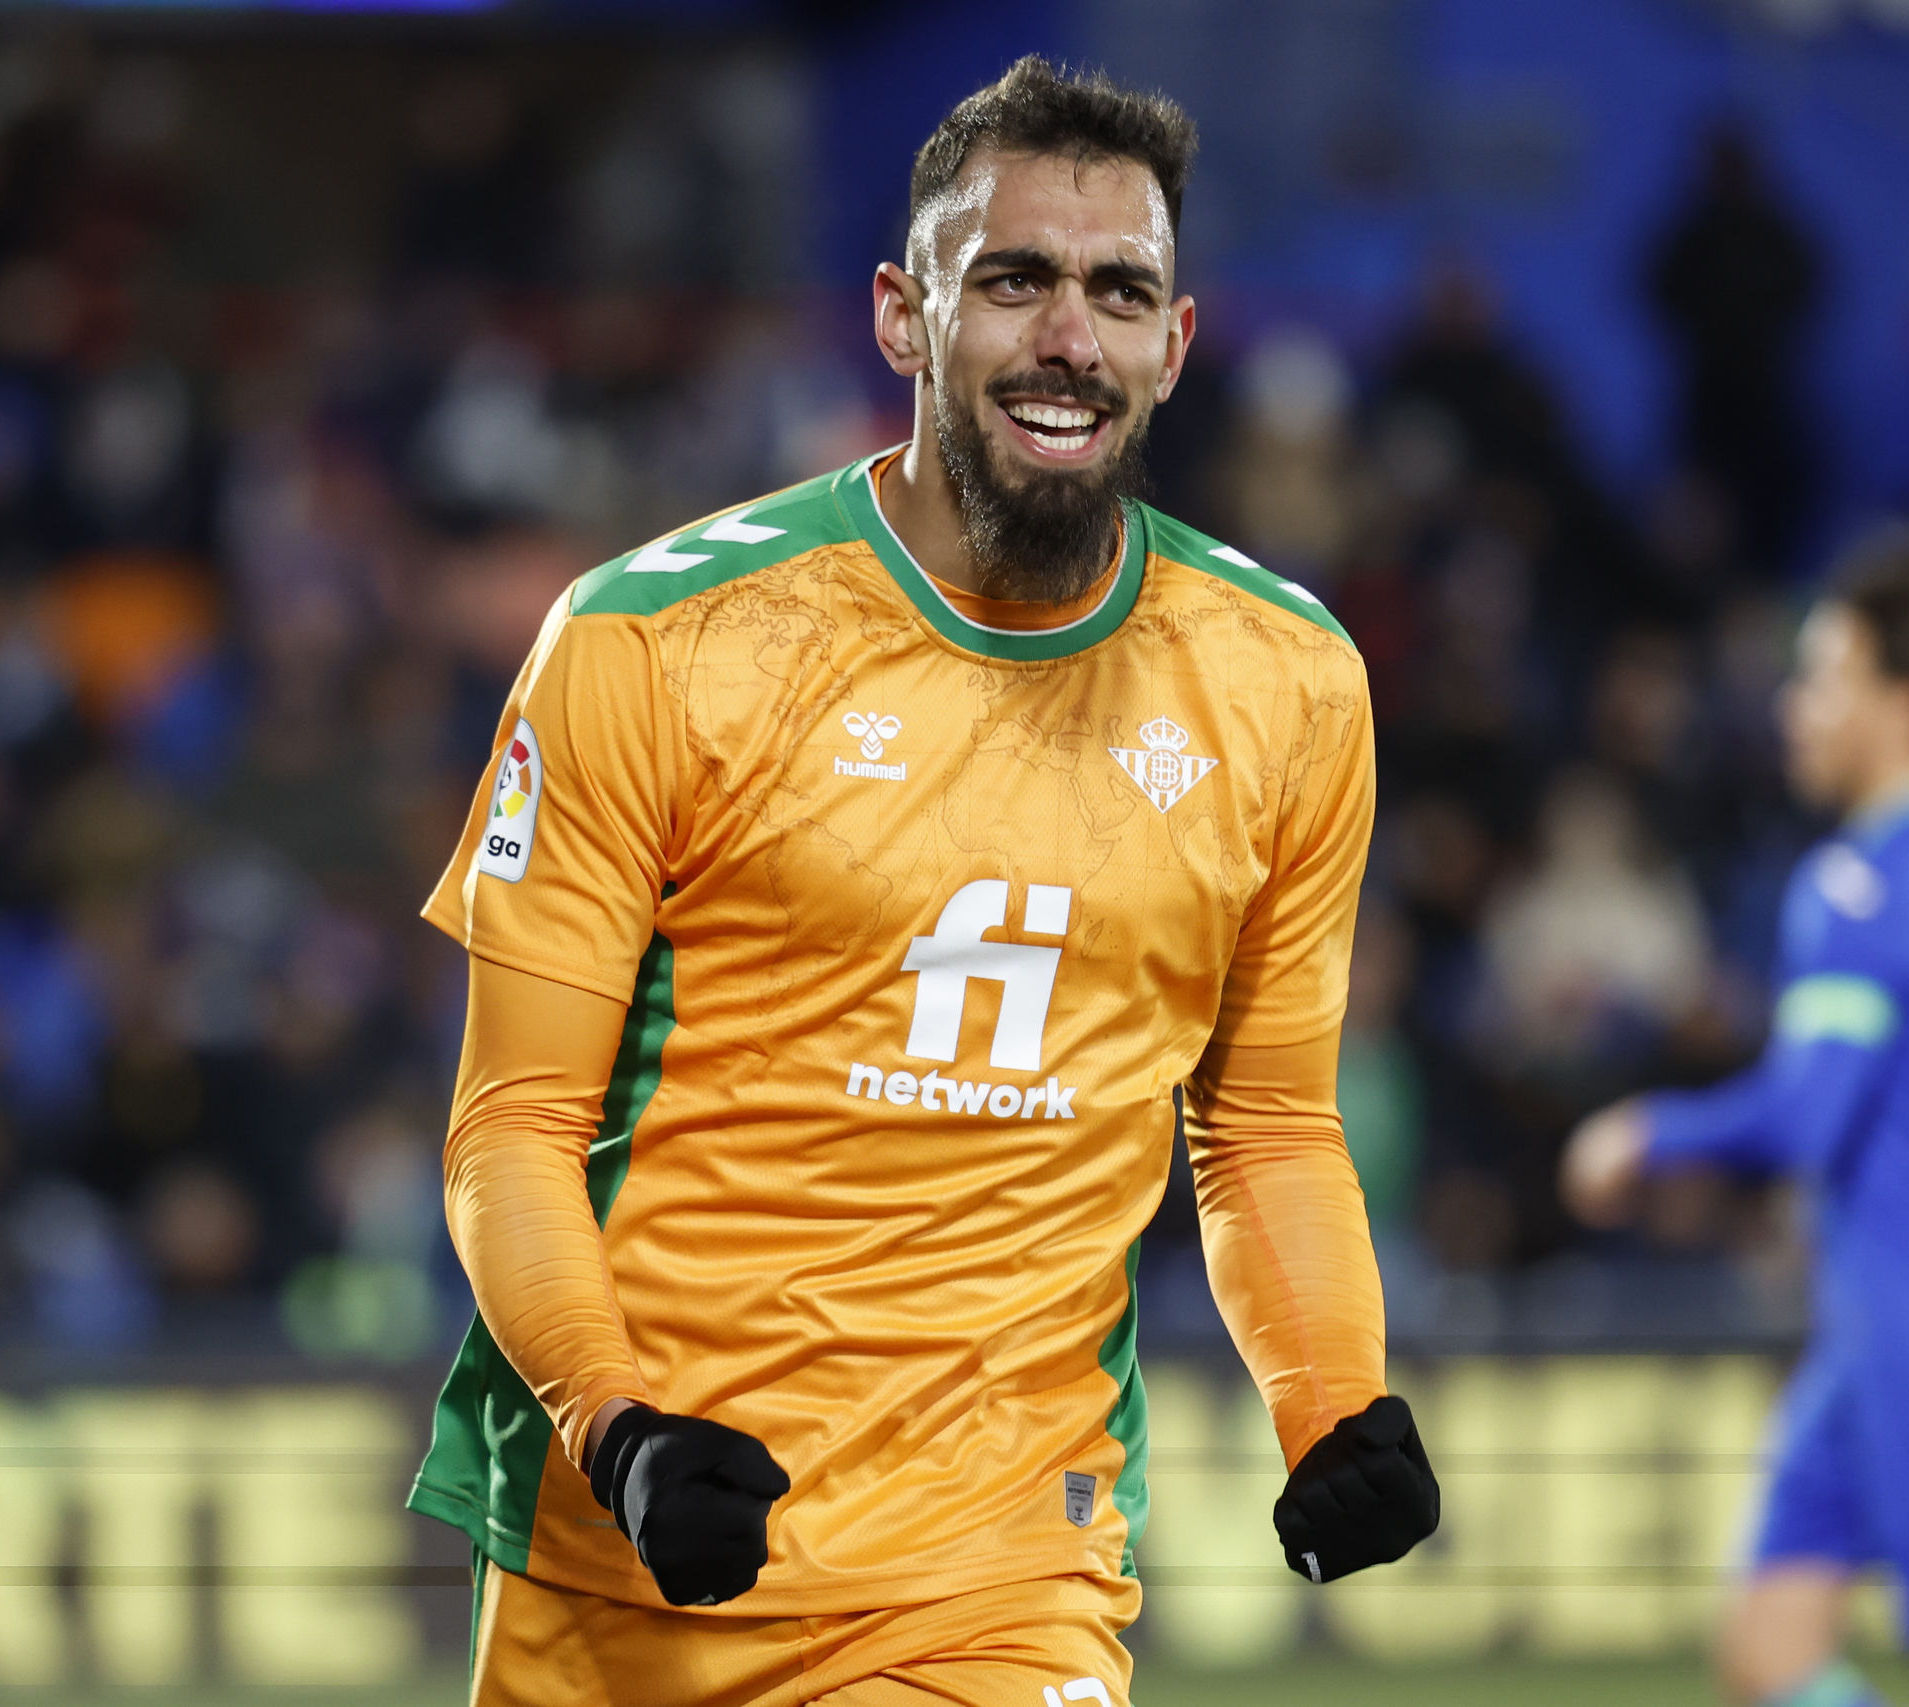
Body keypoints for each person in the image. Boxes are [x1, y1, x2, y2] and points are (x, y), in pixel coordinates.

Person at [409, 58, 1437, 1707]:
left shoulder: (1289, 682)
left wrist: (1334, 1402)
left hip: (1004, 1572)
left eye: (1120, 292)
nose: (1070, 335)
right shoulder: (648, 644)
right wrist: (617, 1423)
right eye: (1015, 279)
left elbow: (1263, 1127)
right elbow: (512, 1128)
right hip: (636, 1540)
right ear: (904, 316)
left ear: (1176, 345)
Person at [1563, 532, 1909, 1707]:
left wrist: (1646, 1135)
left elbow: (1807, 1113)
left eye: (1823, 679)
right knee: (1768, 1651)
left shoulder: (1860, 884)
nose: (1793, 709)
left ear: (1906, 704)